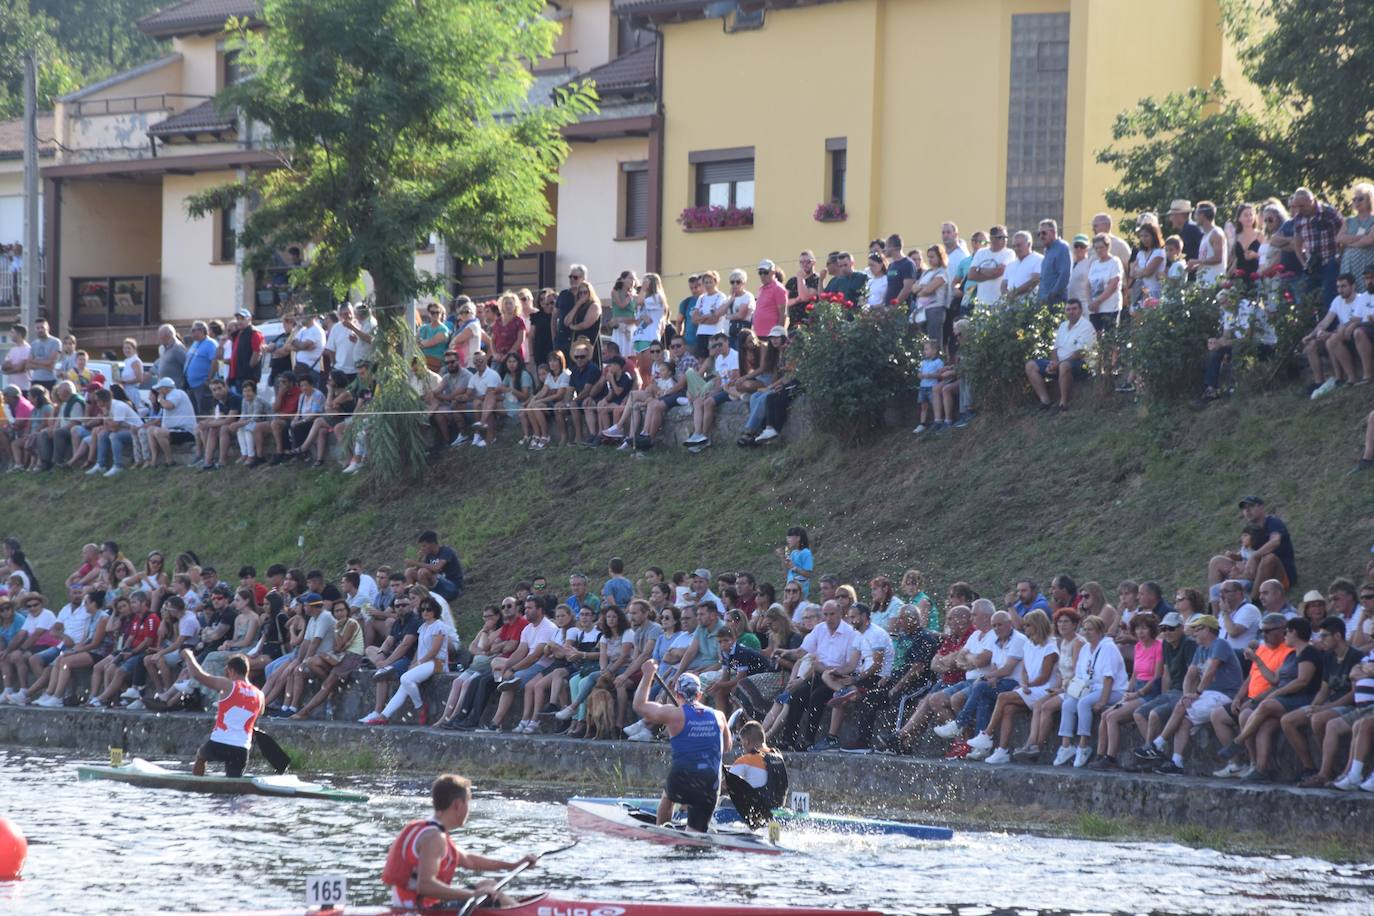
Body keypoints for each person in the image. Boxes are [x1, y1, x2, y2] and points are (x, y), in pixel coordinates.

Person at [382, 774, 540, 909]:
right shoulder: (434, 838)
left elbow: (469, 861)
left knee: (488, 884)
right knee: (493, 897)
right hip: (420, 909)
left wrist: (514, 865)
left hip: (419, 905)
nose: (469, 808)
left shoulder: (431, 829)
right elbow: (425, 886)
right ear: (457, 804)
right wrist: (474, 895)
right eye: (468, 802)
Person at [633, 661, 731, 832]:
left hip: (683, 778)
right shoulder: (719, 716)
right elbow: (727, 747)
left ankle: (662, 830)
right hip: (710, 783)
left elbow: (639, 705)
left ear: (677, 694)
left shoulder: (673, 713)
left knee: (668, 797)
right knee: (695, 834)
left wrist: (648, 674)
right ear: (700, 695)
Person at [178, 651, 264, 777]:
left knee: (201, 757)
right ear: (247, 671)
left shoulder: (228, 685)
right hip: (242, 748)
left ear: (231, 670)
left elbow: (198, 675)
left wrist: (188, 655)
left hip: (219, 743)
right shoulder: (260, 695)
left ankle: (196, 785)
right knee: (233, 784)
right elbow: (258, 714)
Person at [1024, 299, 1095, 411]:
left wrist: (1059, 364)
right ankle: (1045, 401)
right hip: (1060, 363)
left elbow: (1081, 353)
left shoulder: (1086, 326)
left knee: (1064, 366)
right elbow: (1055, 349)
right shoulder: (1063, 326)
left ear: (1081, 310)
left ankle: (1063, 403)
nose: (1071, 312)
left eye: (1074, 309)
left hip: (1081, 365)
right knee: (1030, 365)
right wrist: (1053, 363)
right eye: (1068, 309)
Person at [724, 719, 789, 828]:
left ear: (746, 742)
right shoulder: (778, 756)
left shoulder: (745, 760)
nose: (742, 747)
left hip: (755, 813)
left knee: (721, 800)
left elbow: (723, 786)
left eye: (742, 743)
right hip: (776, 810)